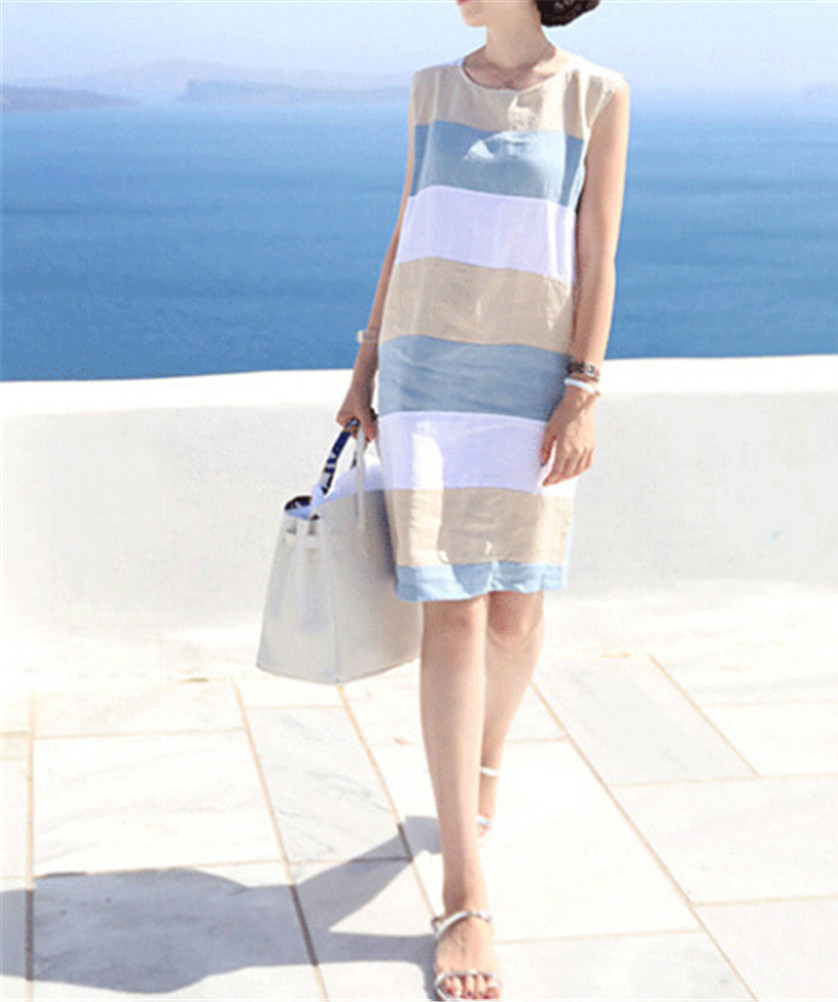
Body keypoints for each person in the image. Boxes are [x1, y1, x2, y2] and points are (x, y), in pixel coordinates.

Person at [336, 0, 629, 997]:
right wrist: (366, 364)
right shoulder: (430, 91)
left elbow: (598, 252)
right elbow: (406, 228)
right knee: (453, 614)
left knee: (515, 613)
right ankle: (465, 890)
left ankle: (487, 759)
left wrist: (582, 389)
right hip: (427, 376)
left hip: (532, 382)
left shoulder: (597, 95)